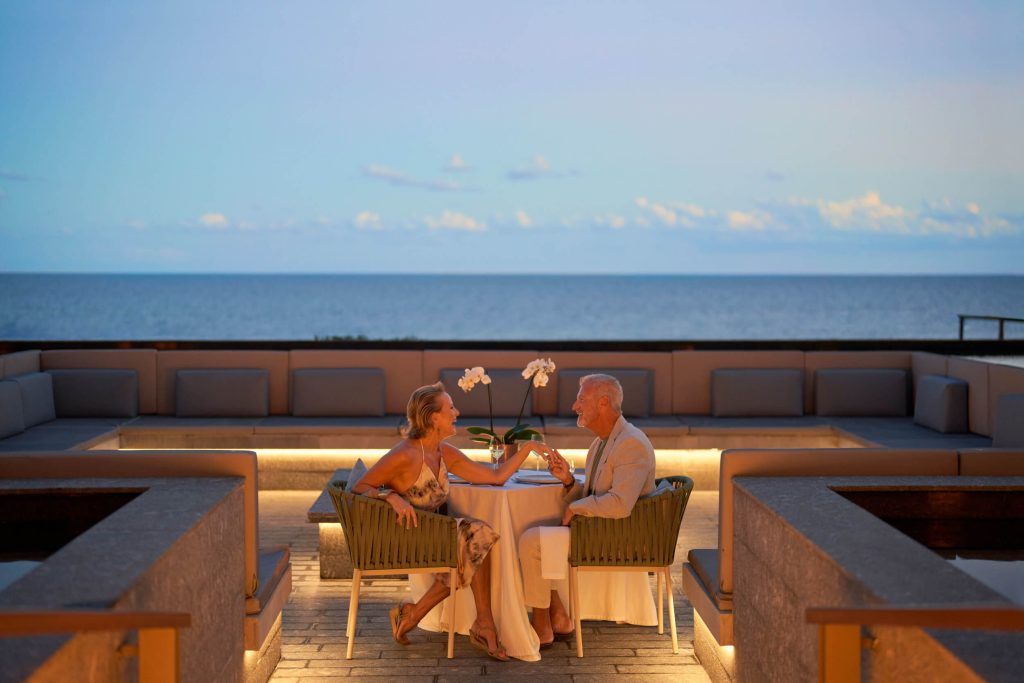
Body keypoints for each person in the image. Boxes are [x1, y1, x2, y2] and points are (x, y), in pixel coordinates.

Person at [351, 381, 553, 661]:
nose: (457, 412)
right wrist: (390, 496)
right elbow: (358, 488)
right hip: (407, 538)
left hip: (434, 534)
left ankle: (479, 623)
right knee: (475, 535)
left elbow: (496, 477)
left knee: (476, 536)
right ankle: (447, 619)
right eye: (451, 408)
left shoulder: (444, 453)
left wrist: (528, 447)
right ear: (434, 417)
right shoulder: (405, 454)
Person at [517, 373, 656, 648]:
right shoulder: (602, 441)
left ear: (603, 402)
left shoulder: (632, 443)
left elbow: (619, 503)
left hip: (614, 538)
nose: (574, 406)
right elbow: (596, 494)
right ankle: (558, 618)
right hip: (599, 529)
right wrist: (568, 480)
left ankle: (542, 624)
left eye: (581, 399)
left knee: (531, 541)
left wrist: (574, 508)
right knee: (538, 530)